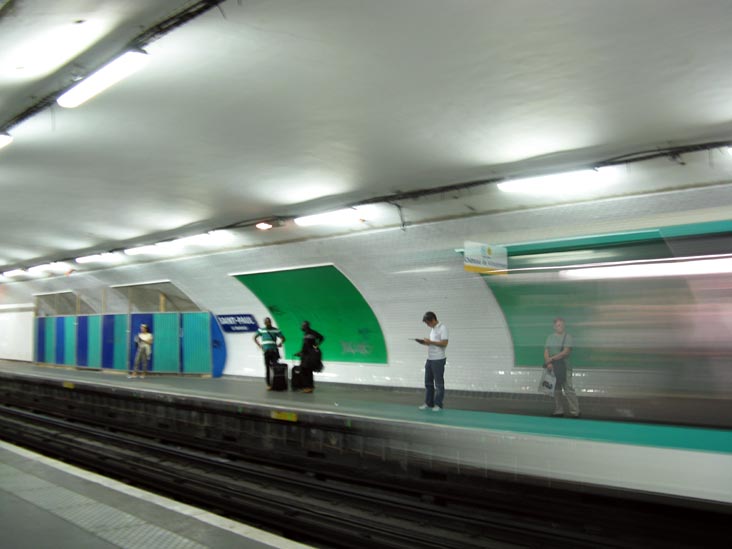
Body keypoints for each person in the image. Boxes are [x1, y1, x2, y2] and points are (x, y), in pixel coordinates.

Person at [544, 317, 580, 418]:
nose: (561, 327)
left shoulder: (568, 337)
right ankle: (558, 410)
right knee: (556, 389)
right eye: (558, 325)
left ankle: (575, 411)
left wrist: (551, 359)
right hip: (553, 366)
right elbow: (546, 351)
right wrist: (549, 362)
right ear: (554, 326)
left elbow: (566, 352)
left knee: (568, 388)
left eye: (562, 325)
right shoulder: (550, 337)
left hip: (565, 366)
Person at [417, 311, 448, 411]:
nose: (427, 325)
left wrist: (430, 342)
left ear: (433, 320)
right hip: (430, 359)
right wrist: (424, 343)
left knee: (438, 383)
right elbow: (433, 344)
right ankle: (428, 403)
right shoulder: (433, 329)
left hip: (438, 359)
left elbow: (444, 343)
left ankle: (438, 404)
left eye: (428, 323)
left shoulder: (442, 328)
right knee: (428, 382)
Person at [253, 317, 286, 389]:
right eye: (267, 322)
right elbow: (254, 337)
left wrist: (280, 343)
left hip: (274, 351)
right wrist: (259, 345)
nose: (268, 323)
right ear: (264, 323)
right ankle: (269, 384)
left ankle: (276, 382)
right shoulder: (261, 330)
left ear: (271, 322)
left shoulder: (276, 330)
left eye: (269, 322)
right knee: (267, 367)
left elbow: (283, 338)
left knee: (275, 367)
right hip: (266, 351)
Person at [295, 320, 324, 393]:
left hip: (309, 355)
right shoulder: (306, 333)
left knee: (307, 370)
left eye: (303, 325)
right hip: (306, 354)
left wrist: (316, 346)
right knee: (305, 370)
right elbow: (305, 345)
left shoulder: (311, 333)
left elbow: (321, 338)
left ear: (306, 326)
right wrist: (300, 352)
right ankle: (307, 386)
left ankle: (309, 387)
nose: (301, 327)